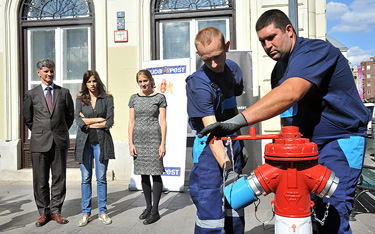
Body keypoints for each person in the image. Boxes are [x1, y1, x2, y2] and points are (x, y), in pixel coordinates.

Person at [199, 10, 370, 234]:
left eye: (272, 37)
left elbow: (291, 93)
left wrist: (237, 121)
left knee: (334, 213)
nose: (267, 45)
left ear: (289, 31)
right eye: (262, 41)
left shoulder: (315, 51)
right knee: (312, 212)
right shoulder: (278, 71)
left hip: (341, 141)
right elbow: (288, 117)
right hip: (308, 148)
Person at [186, 27, 245, 234]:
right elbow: (211, 131)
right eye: (206, 59)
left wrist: (240, 140)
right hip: (209, 150)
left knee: (235, 204)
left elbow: (232, 105)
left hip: (232, 143)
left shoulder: (234, 70)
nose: (213, 64)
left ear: (226, 47)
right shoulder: (198, 83)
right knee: (210, 210)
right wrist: (228, 168)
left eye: (217, 57)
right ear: (199, 55)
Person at [23, 58, 74, 227]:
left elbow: (69, 116)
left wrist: (58, 130)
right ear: (39, 73)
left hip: (59, 141)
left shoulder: (64, 93)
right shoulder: (31, 94)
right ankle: (43, 212)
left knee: (59, 178)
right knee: (40, 179)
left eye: (51, 71)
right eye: (46, 71)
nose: (49, 74)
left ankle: (56, 211)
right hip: (39, 142)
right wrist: (41, 130)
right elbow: (28, 119)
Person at [74, 70, 115, 226]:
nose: (92, 84)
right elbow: (78, 121)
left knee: (102, 178)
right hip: (84, 144)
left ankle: (102, 212)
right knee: (85, 179)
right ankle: (86, 213)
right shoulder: (80, 99)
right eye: (89, 81)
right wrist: (99, 119)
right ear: (85, 84)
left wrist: (88, 122)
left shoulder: (107, 99)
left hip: (101, 142)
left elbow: (109, 122)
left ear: (98, 82)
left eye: (94, 81)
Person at [128, 69, 167, 225]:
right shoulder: (133, 98)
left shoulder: (159, 98)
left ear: (151, 80)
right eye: (140, 81)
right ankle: (148, 207)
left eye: (145, 80)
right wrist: (131, 142)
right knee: (143, 173)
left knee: (155, 173)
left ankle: (155, 211)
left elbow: (163, 122)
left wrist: (163, 143)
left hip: (154, 138)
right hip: (138, 139)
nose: (143, 84)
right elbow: (131, 121)